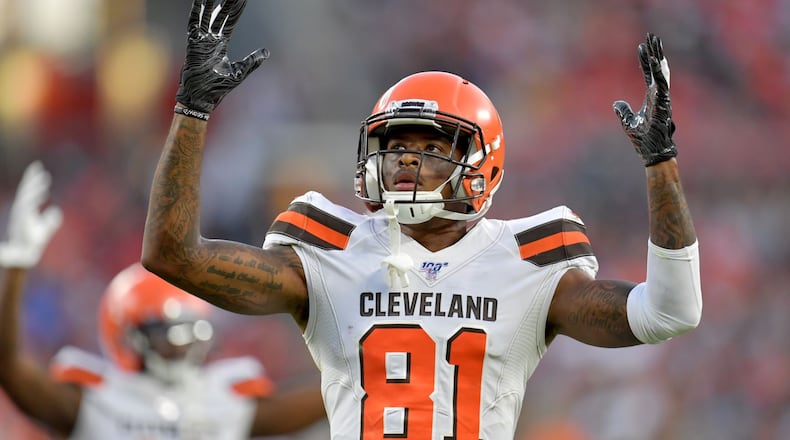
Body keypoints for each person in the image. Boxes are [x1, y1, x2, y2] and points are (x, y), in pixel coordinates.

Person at [142, 0, 702, 438]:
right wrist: (192, 108)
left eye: (431, 147)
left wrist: (660, 165)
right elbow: (173, 255)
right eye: (394, 144)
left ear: (483, 164)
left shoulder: (529, 262)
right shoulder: (329, 248)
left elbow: (670, 312)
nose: (406, 158)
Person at [0, 161, 327, 439]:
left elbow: (332, 395)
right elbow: (10, 369)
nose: (182, 346)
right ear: (127, 335)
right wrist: (16, 263)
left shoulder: (223, 401)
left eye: (190, 331)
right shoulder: (96, 401)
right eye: (168, 333)